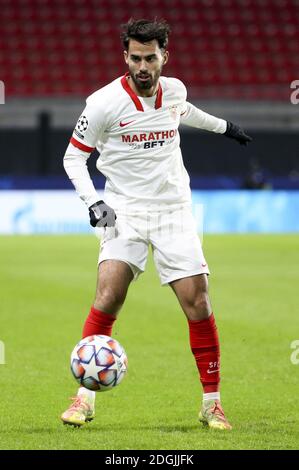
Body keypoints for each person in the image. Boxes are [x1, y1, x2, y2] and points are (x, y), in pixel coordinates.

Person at [61, 18, 252, 430]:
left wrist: (225, 128)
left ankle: (212, 404)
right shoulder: (102, 104)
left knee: (198, 301)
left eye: (150, 57)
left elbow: (184, 112)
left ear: (165, 56)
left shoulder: (175, 90)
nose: (143, 66)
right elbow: (73, 157)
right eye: (135, 58)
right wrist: (94, 202)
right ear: (125, 58)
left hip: (172, 210)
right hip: (123, 210)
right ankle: (84, 399)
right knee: (108, 295)